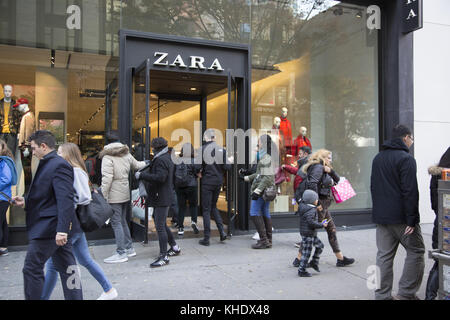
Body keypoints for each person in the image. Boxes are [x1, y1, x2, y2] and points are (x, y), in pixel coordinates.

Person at [41, 143, 118, 300]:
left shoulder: (75, 171)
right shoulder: (75, 170)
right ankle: (109, 289)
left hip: (70, 223)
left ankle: (44, 297)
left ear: (68, 154)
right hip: (74, 224)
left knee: (54, 266)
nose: (58, 156)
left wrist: (66, 204)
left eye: (60, 152)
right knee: (83, 260)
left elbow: (82, 197)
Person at [12, 130, 83, 300]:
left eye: (34, 148)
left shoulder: (58, 164)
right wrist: (25, 200)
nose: (32, 151)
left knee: (31, 268)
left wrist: (62, 230)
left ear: (43, 146)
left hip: (50, 229)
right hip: (53, 227)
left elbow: (65, 199)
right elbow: (46, 194)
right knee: (68, 268)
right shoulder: (49, 163)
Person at [370, 124, 425, 300]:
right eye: (412, 138)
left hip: (382, 218)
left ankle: (381, 295)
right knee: (416, 251)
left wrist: (377, 213)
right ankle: (407, 293)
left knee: (383, 256)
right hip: (402, 218)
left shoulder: (378, 158)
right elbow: (410, 191)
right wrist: (412, 220)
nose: (412, 142)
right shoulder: (406, 159)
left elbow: (373, 187)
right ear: (405, 138)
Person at [293, 149, 354, 268]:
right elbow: (312, 184)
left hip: (323, 206)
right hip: (320, 206)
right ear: (322, 157)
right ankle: (299, 259)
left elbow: (337, 180)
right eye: (328, 157)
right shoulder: (317, 168)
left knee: (331, 228)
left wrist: (330, 170)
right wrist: (317, 203)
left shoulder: (323, 168)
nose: (330, 160)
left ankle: (340, 258)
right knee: (312, 231)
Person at [100, 131, 146, 264]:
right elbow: (138, 165)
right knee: (123, 220)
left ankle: (121, 252)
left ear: (107, 142)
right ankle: (129, 248)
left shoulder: (107, 157)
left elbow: (107, 178)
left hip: (114, 194)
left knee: (116, 222)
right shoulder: (126, 153)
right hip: (125, 192)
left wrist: (104, 195)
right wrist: (150, 161)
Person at [136, 137, 181, 267]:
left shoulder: (160, 159)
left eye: (153, 148)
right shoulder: (167, 157)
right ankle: (174, 247)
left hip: (161, 196)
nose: (152, 150)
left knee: (160, 227)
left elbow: (160, 178)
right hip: (164, 195)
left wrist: (142, 175)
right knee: (160, 222)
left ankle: (163, 256)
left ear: (156, 148)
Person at [197, 129, 231, 246]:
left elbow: (197, 167)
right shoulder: (222, 150)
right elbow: (227, 167)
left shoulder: (202, 149)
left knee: (206, 209)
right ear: (214, 137)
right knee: (213, 206)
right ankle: (221, 232)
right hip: (218, 182)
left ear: (205, 137)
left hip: (207, 182)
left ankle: (207, 238)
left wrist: (200, 172)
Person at [242, 134, 275, 249]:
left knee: (254, 212)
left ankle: (264, 240)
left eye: (259, 141)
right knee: (265, 212)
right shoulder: (264, 156)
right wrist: (246, 178)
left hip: (262, 191)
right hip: (265, 190)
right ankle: (268, 240)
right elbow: (259, 174)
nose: (258, 143)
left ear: (263, 143)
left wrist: (257, 190)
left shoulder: (265, 158)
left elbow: (267, 177)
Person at [425, 146, 450, 300]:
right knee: (440, 264)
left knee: (439, 262)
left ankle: (430, 295)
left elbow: (435, 205)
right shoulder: (445, 177)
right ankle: (430, 295)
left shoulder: (436, 175)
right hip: (445, 228)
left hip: (440, 225)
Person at [297, 190, 327, 277]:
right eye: (316, 199)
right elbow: (311, 222)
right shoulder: (310, 210)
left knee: (320, 245)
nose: (317, 201)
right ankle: (301, 270)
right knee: (307, 252)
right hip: (308, 234)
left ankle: (314, 261)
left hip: (310, 233)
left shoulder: (305, 207)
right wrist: (321, 225)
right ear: (312, 200)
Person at [174, 143, 201, 236]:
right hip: (191, 186)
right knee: (193, 205)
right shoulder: (194, 160)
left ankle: (180, 227)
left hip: (179, 186)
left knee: (181, 207)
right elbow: (198, 173)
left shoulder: (177, 160)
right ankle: (194, 222)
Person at [0, 139, 17, 256]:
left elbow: (6, 179)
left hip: (2, 198)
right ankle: (4, 247)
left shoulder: (4, 161)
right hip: (3, 197)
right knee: (3, 222)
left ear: (3, 148)